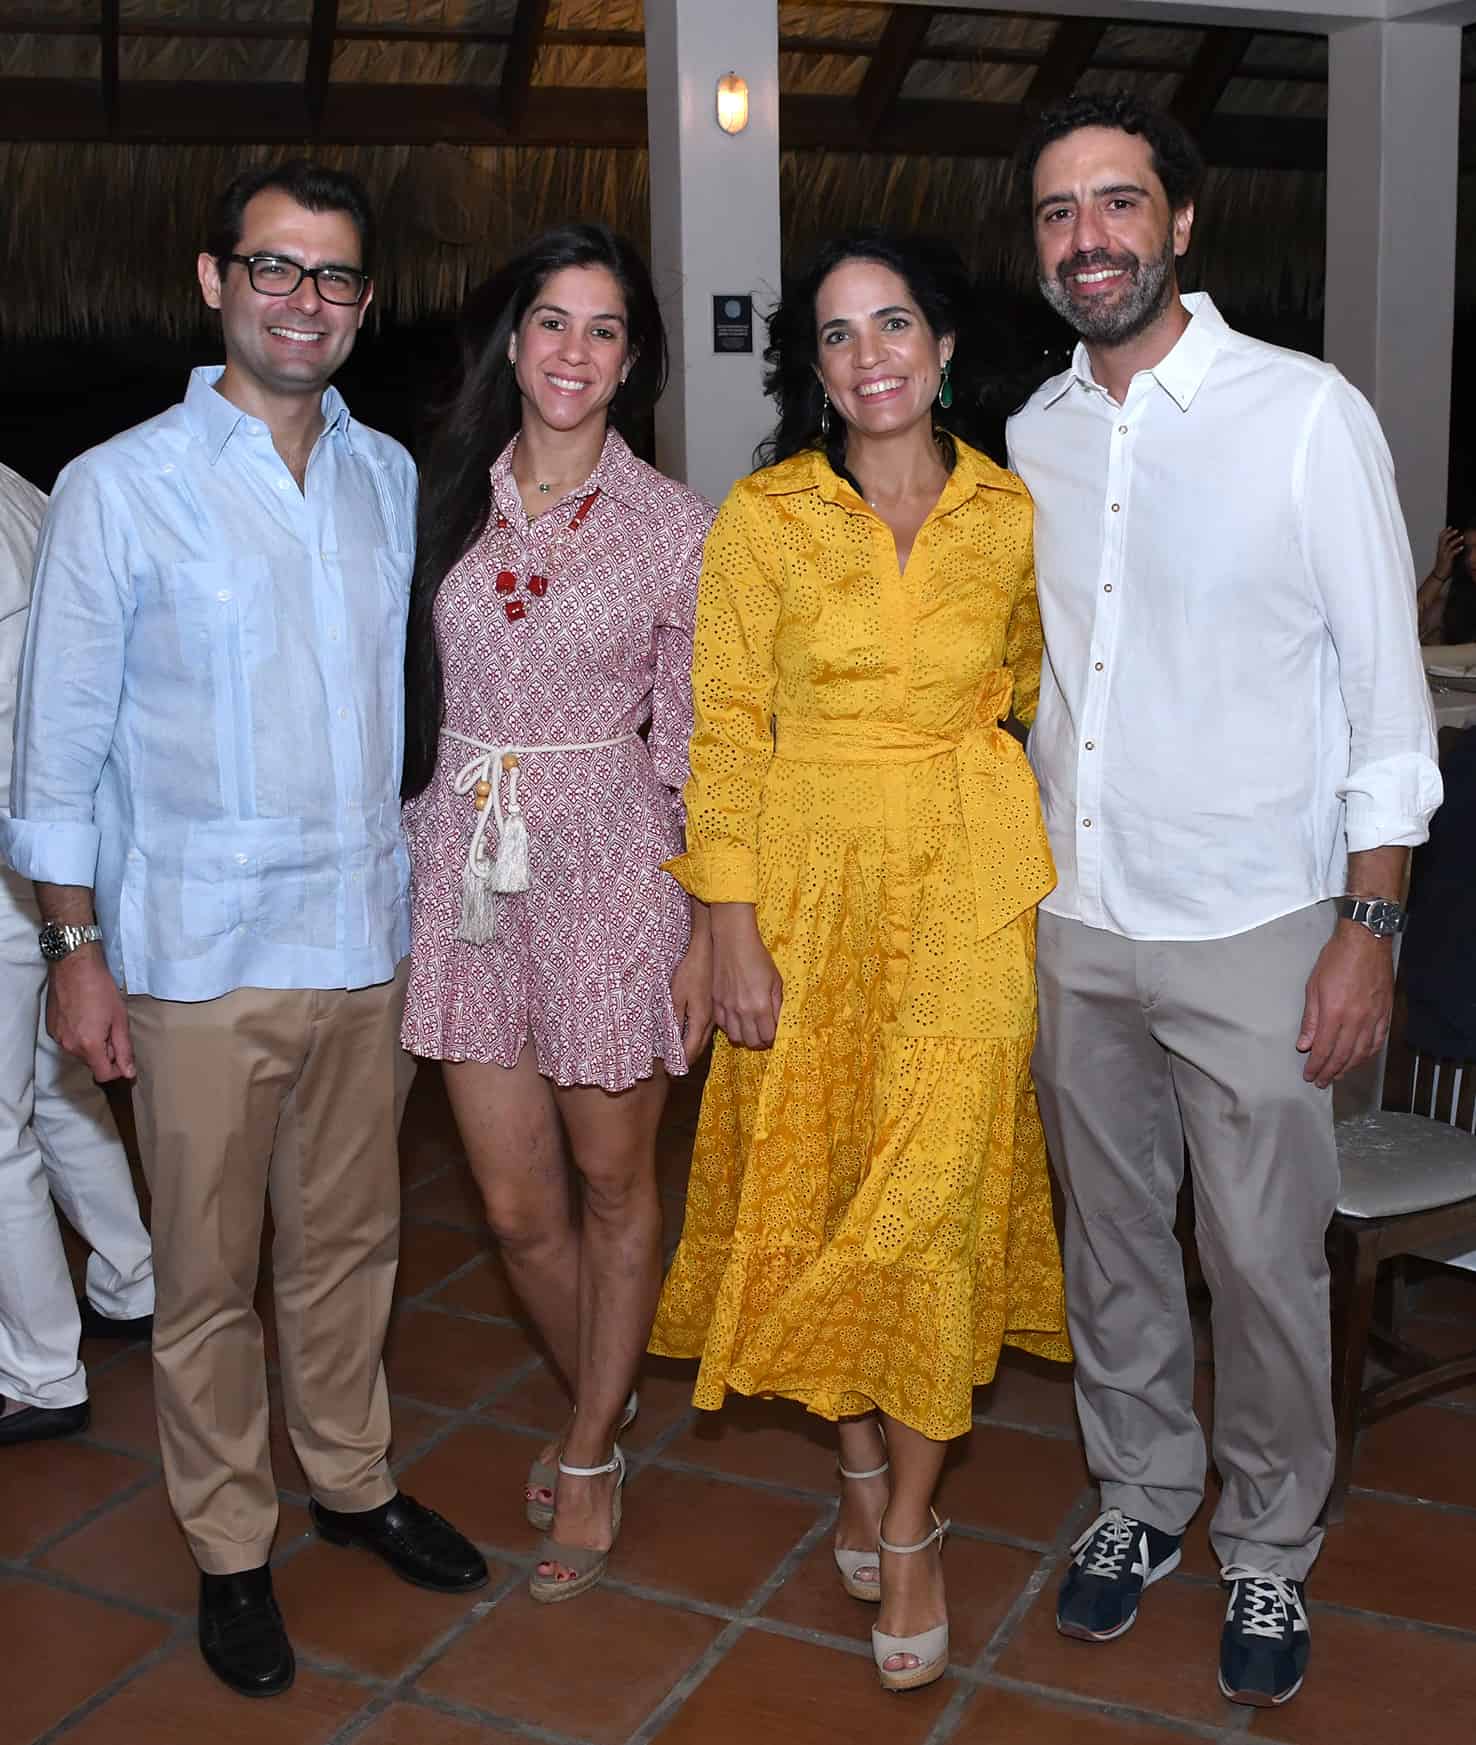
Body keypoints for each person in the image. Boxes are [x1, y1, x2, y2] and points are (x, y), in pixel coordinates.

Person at [0, 159, 485, 1699]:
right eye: (276, 269)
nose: (306, 302)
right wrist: (74, 950)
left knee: (349, 1245)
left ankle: (349, 1478)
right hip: (195, 955)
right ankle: (229, 1544)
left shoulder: (387, 476)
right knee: (206, 1276)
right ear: (216, 281)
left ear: (364, 306)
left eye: (337, 279)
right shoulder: (114, 485)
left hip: (363, 927)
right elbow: (55, 742)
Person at [1008, 93, 1441, 1709]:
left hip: (1262, 923)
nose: (1089, 238)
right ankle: (1137, 1501)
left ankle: (1267, 1543)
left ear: (1180, 223)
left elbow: (1385, 696)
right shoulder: (1035, 437)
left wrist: (1368, 923)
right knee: (1112, 1241)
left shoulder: (1303, 417)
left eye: (1116, 203)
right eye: (1057, 214)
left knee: (1264, 1263)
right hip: (1079, 913)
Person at [649, 230, 1071, 1694]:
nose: (870, 354)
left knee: (938, 1189)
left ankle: (909, 1523)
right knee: (823, 1176)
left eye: (895, 324)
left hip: (966, 881)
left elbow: (1022, 683)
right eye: (837, 335)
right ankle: (853, 1457)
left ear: (945, 348)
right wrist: (730, 923)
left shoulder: (1014, 511)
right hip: (807, 891)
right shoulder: (763, 520)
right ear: (811, 370)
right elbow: (721, 733)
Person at [401, 224, 715, 1604]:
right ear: (511, 341)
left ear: (631, 358)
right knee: (520, 1207)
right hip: (461, 866)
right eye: (550, 322)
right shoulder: (435, 498)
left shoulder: (674, 526)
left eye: (602, 329)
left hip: (611, 871)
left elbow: (702, 740)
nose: (573, 351)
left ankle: (589, 1439)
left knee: (608, 1180)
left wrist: (707, 922)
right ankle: (611, 1385)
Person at [0, 460, 154, 1448]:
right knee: (55, 1089)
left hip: (22, 854)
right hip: (51, 848)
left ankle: (37, 1365)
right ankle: (132, 1275)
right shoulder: (21, 489)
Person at [1416, 518, 1476, 645]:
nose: (1470, 559)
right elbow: (1405, 625)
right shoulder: (1456, 602)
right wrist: (1439, 574)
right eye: (1468, 550)